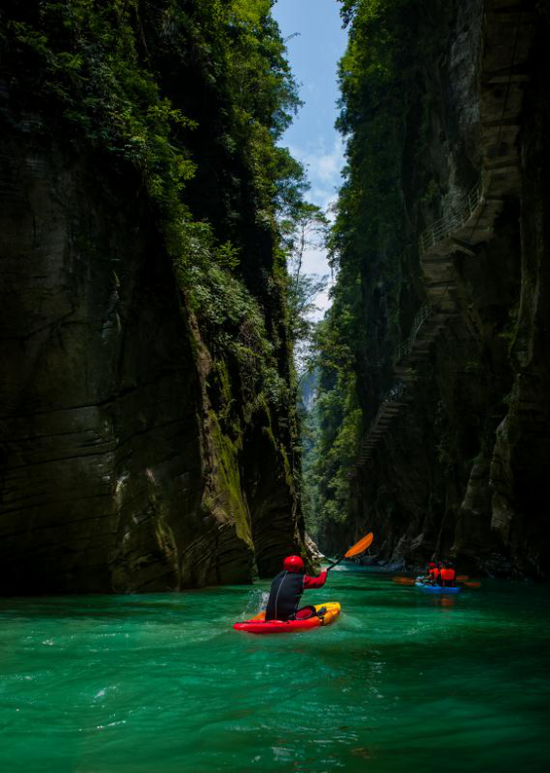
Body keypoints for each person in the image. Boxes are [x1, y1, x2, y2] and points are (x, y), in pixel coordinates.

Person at [265, 555, 327, 622]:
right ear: (300, 567)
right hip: (287, 619)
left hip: (269, 618)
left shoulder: (276, 578)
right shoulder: (300, 579)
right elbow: (319, 582)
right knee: (311, 609)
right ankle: (318, 614)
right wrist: (324, 572)